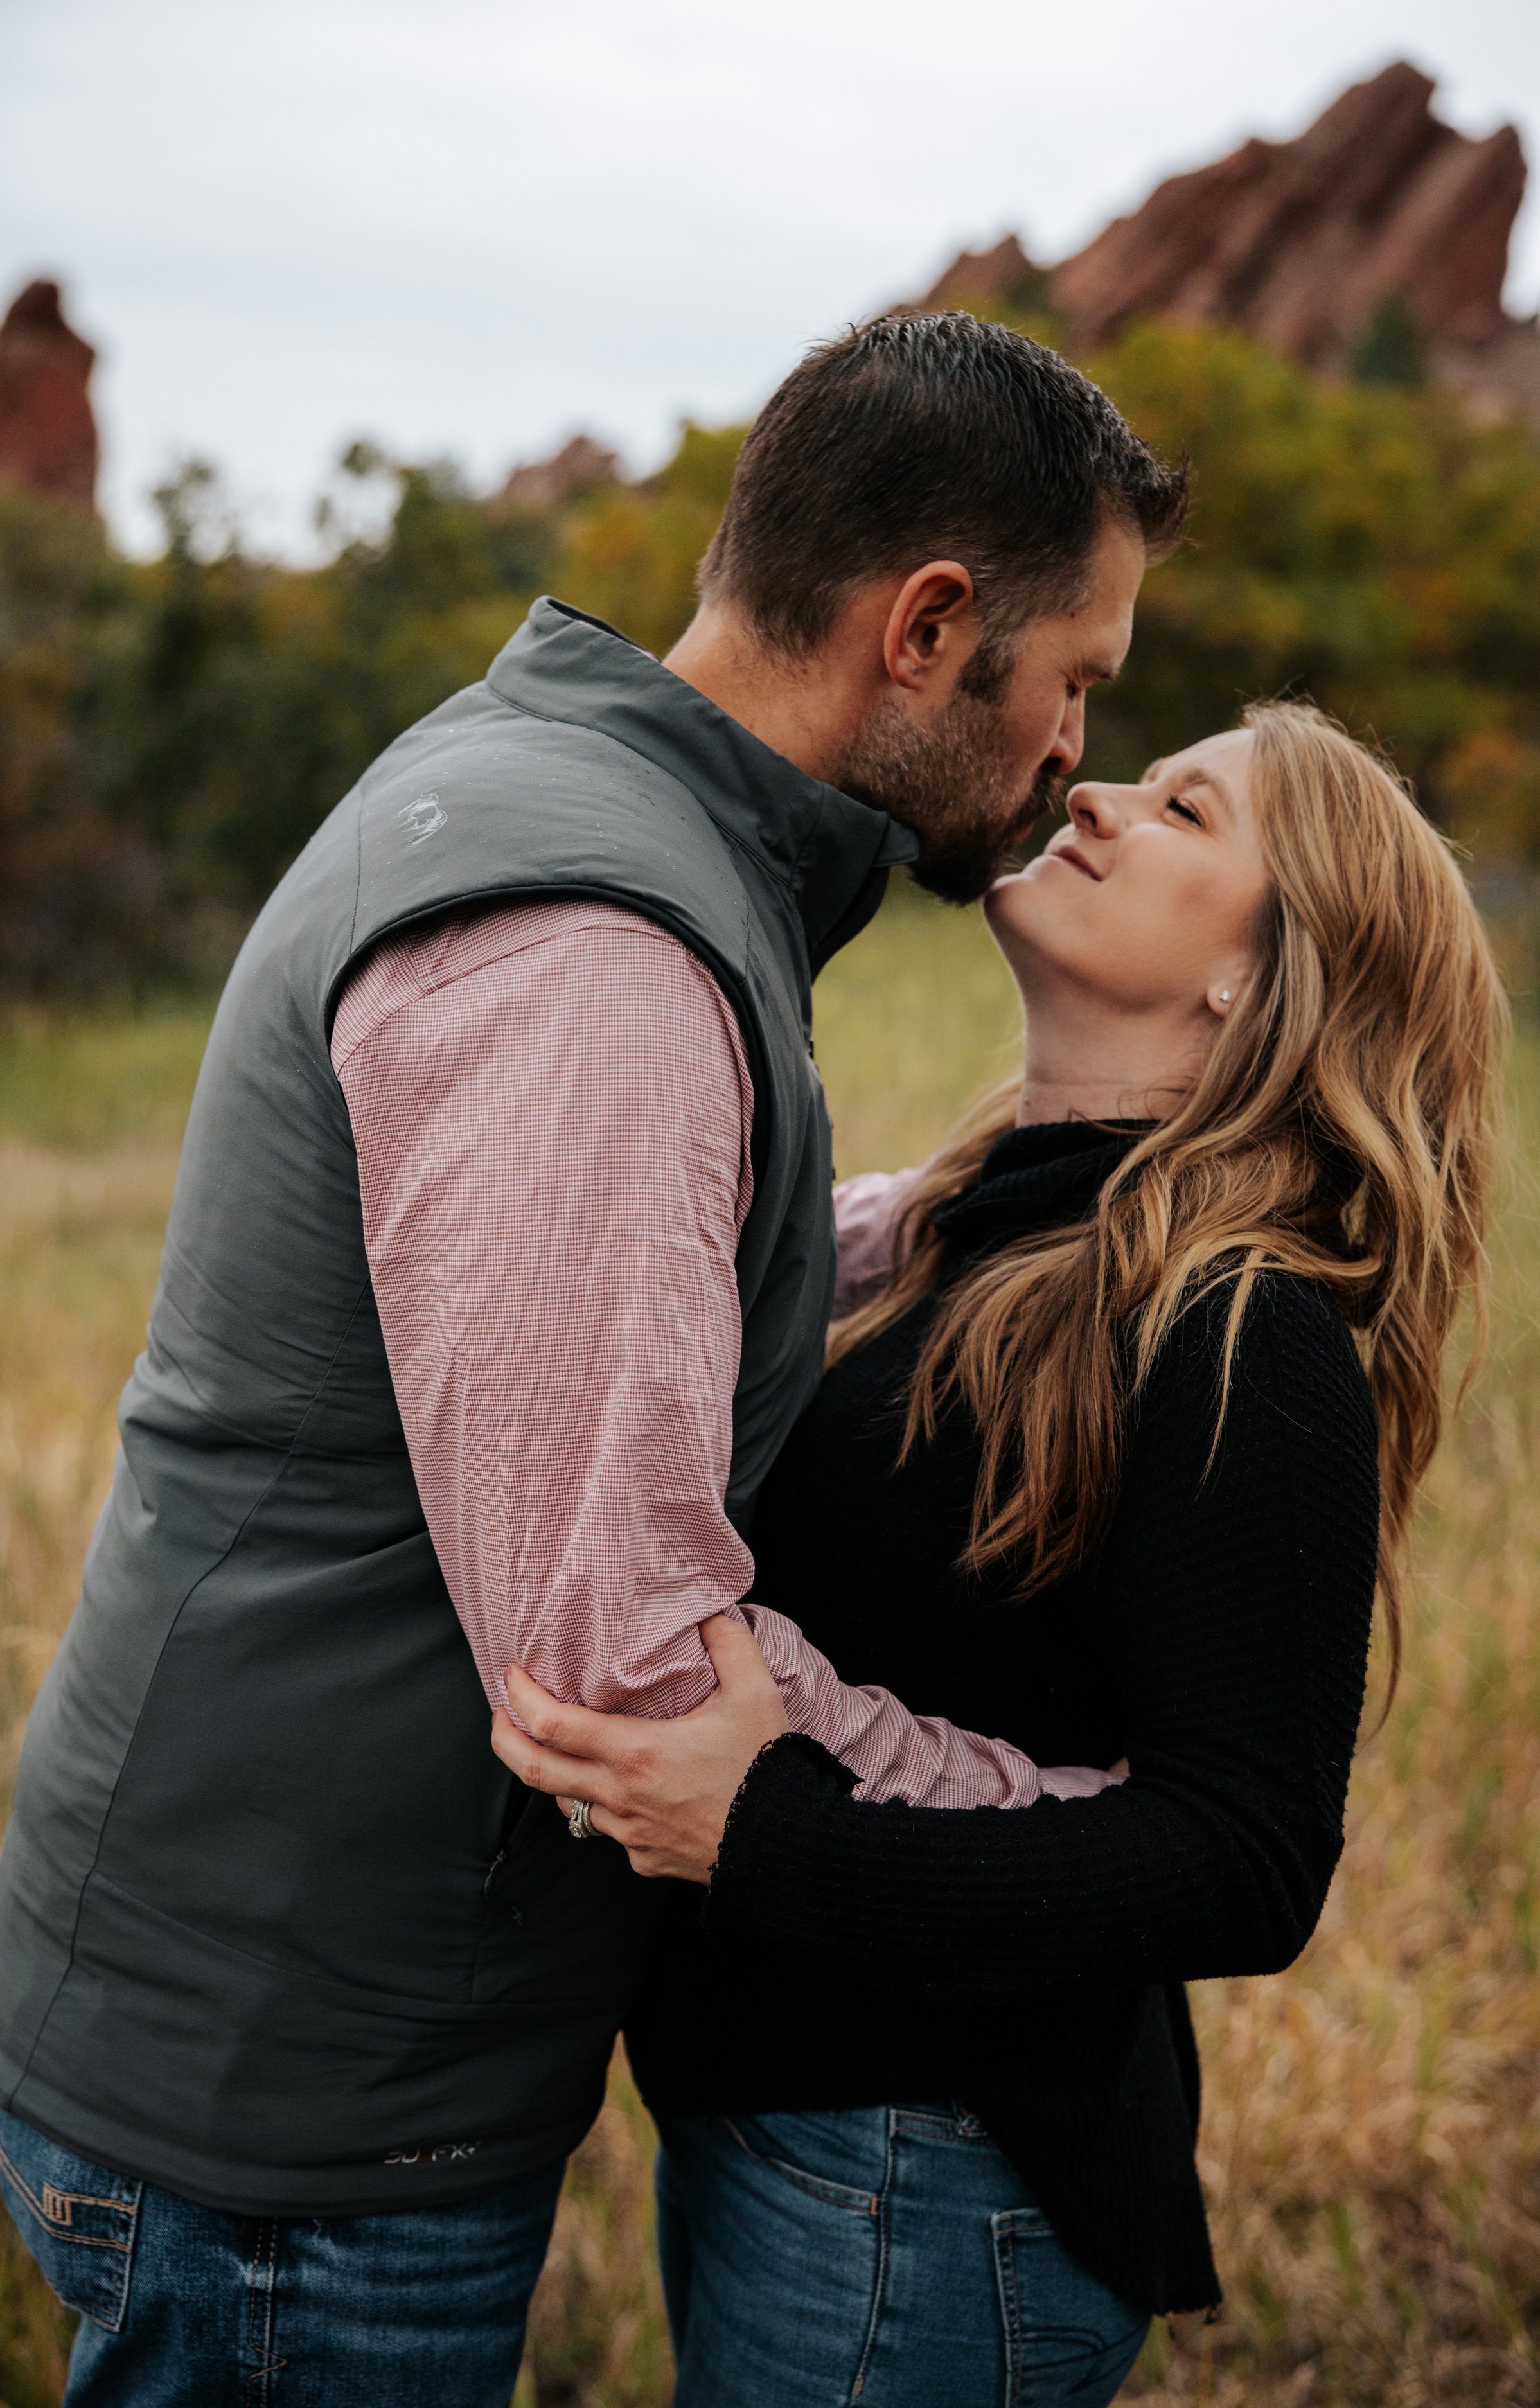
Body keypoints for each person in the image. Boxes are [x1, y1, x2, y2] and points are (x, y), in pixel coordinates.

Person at [0, 314, 1189, 2403]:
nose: (1071, 756)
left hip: (306, 2028)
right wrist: (1048, 1827)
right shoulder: (599, 944)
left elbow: (653, 1283)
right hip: (303, 2110)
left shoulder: (588, 804)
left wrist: (1026, 1206)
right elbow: (620, 1666)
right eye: (1072, 683)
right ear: (924, 627)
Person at [493, 701, 1507, 2407]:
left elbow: (1242, 1860)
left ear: (1253, 986)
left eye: (1184, 809)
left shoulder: (1237, 1325)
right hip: (803, 2132)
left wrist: (769, 1830)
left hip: (929, 2181)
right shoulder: (976, 1230)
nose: (1095, 794)